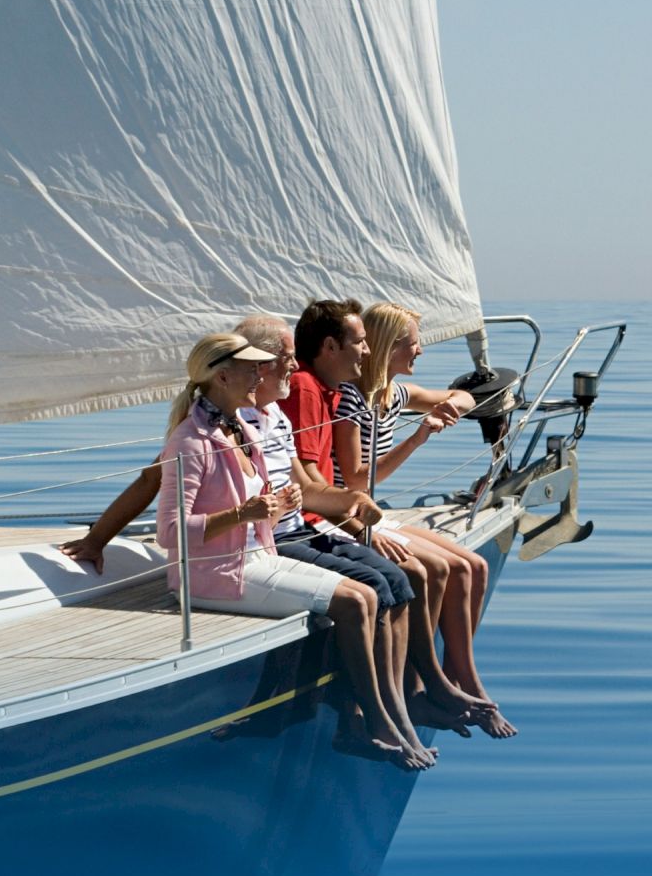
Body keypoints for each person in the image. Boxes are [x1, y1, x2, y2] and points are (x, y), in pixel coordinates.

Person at [65, 331, 427, 770]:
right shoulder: (192, 441)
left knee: (367, 595)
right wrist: (244, 513)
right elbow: (170, 531)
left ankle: (371, 720)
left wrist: (340, 503)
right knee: (354, 600)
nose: (261, 373)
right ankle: (375, 722)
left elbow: (274, 506)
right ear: (222, 376)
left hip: (256, 559)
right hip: (215, 575)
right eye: (252, 367)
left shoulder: (238, 430)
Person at [233, 312, 433, 764]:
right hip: (270, 544)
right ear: (257, 366)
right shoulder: (241, 421)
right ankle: (368, 715)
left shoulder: (275, 417)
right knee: (372, 590)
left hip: (297, 529)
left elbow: (307, 487)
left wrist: (352, 505)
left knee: (396, 583)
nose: (294, 364)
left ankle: (392, 706)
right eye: (285, 358)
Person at [326, 300, 518, 738]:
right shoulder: (352, 400)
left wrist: (459, 400)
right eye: (413, 343)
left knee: (474, 565)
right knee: (438, 568)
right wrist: (418, 437)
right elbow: (357, 478)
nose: (420, 352)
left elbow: (461, 397)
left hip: (369, 511)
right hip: (346, 516)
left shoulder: (396, 394)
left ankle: (457, 679)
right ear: (387, 347)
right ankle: (432, 686)